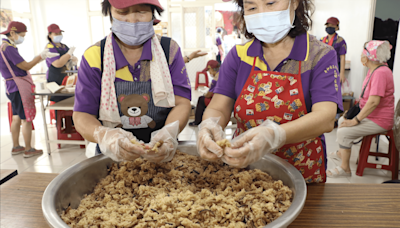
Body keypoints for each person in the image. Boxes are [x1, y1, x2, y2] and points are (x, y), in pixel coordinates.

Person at [197, 0, 343, 184]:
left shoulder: (319, 55)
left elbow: (326, 117)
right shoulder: (239, 56)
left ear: (295, 3)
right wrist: (209, 125)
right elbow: (219, 108)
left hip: (301, 174)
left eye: (271, 3)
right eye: (251, 7)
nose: (262, 13)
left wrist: (274, 135)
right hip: (245, 171)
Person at [73, 0, 191, 163]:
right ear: (110, 13)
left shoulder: (168, 50)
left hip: (159, 153)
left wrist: (168, 135)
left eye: (141, 12)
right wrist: (105, 136)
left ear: (152, 13)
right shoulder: (95, 56)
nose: (132, 20)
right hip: (111, 155)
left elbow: (181, 103)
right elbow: (82, 115)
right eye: (122, 12)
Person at [327, 41, 394, 178]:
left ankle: (345, 169)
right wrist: (352, 114)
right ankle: (342, 153)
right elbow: (367, 98)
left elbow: (374, 102)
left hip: (380, 120)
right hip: (373, 115)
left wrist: (356, 120)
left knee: (344, 132)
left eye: (363, 53)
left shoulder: (380, 73)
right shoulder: (375, 70)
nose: (361, 56)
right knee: (342, 121)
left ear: (369, 56)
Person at [0, 21, 58, 157]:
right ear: (12, 33)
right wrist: (40, 57)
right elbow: (25, 66)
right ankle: (28, 149)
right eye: (22, 35)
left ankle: (16, 146)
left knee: (16, 117)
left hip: (11, 87)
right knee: (26, 118)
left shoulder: (3, 46)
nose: (23, 38)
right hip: (18, 87)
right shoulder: (8, 48)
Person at [46, 23, 77, 102]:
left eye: (60, 33)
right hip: (55, 80)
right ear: (49, 35)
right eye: (56, 33)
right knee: (59, 102)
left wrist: (73, 61)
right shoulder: (49, 48)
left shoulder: (64, 46)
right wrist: (68, 54)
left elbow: (69, 61)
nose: (59, 35)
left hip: (66, 78)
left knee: (69, 100)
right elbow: (58, 63)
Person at [189, 60, 220, 126]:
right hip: (228, 99)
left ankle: (197, 121)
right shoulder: (223, 73)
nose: (209, 73)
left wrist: (205, 94)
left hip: (218, 101)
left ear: (211, 69)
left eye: (208, 70)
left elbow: (209, 95)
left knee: (201, 99)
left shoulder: (216, 78)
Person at [321, 17, 347, 84]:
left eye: (332, 25)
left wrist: (342, 73)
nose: (329, 27)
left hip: (335, 69)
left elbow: (342, 57)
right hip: (322, 69)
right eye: (328, 25)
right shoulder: (322, 40)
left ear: (337, 27)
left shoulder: (340, 40)